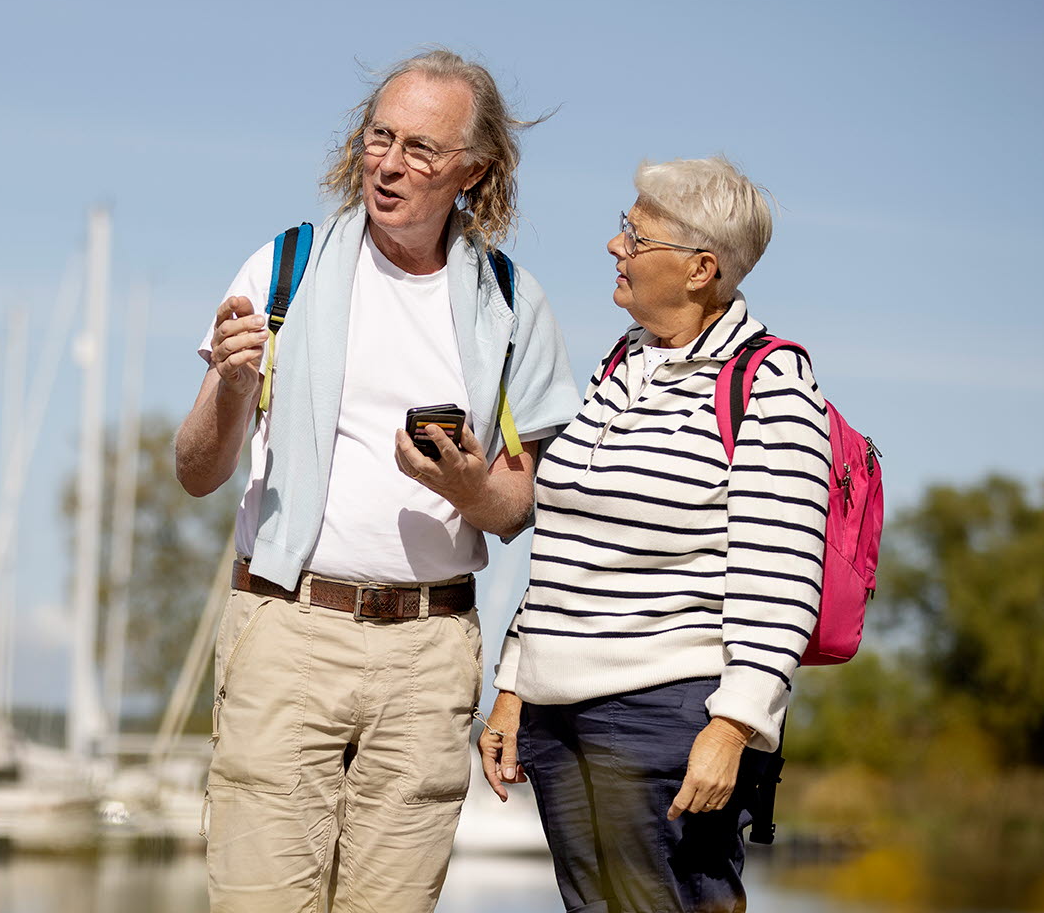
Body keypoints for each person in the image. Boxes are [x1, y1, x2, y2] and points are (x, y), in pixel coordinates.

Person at [175, 49, 581, 913]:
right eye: (379, 138)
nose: (390, 165)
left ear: (474, 169)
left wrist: (470, 487)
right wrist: (232, 387)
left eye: (421, 150)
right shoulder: (283, 265)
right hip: (288, 630)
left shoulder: (512, 303)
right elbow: (196, 472)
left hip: (430, 654)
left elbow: (516, 508)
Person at [479, 157, 832, 913]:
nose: (615, 247)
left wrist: (735, 727)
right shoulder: (623, 362)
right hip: (559, 716)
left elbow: (784, 576)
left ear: (701, 268)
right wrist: (515, 684)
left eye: (637, 236)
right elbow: (567, 551)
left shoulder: (769, 386)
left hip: (664, 719)